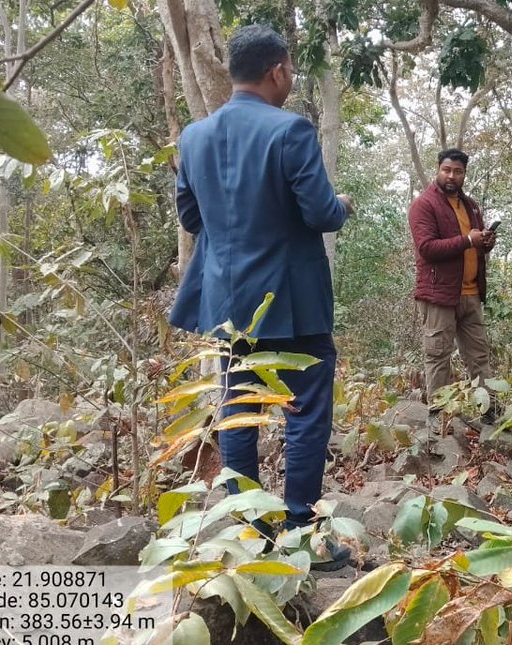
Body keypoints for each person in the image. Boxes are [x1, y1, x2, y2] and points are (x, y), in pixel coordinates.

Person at [169, 25, 355, 570]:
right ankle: (301, 528)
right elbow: (321, 213)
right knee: (305, 410)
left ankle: (249, 531)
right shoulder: (291, 132)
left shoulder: (193, 138)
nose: (291, 78)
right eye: (290, 70)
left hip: (227, 302)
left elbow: (190, 217)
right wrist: (341, 202)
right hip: (292, 303)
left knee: (239, 409)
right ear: (277, 71)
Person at [408, 148, 497, 434]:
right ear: (439, 169)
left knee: (479, 355)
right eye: (447, 170)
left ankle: (489, 413)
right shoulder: (424, 204)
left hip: (471, 294)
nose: (451, 176)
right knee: (437, 356)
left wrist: (484, 242)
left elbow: (474, 245)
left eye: (457, 171)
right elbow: (427, 248)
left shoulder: (470, 206)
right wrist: (467, 241)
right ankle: (437, 417)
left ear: (464, 174)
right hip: (438, 296)